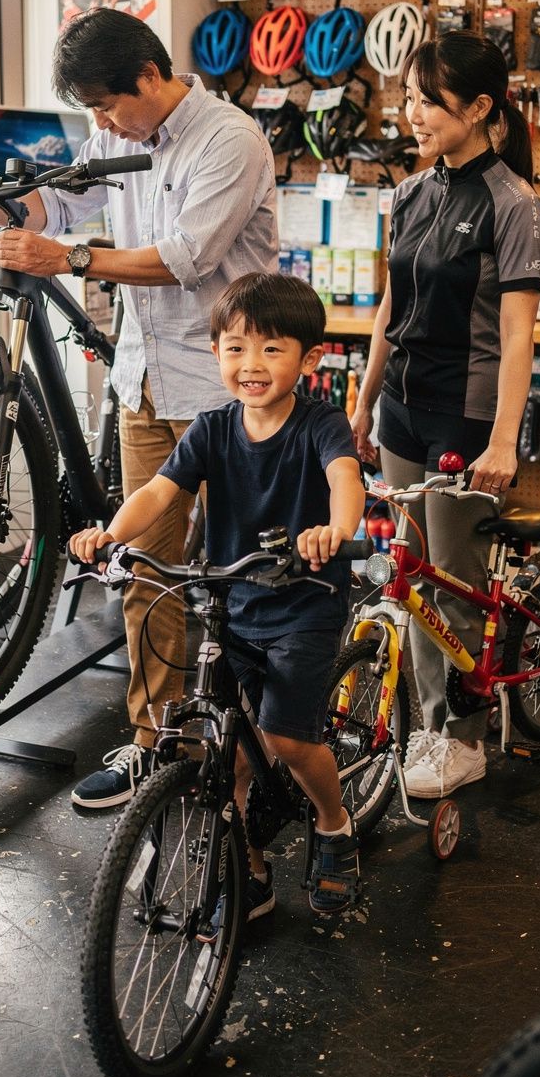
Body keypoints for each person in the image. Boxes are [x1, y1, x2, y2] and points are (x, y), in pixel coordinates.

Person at [0, 9, 278, 809]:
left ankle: (261, 748)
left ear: (146, 77)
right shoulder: (116, 138)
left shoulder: (229, 140)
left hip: (232, 391)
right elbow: (56, 211)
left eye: (105, 106)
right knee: (148, 573)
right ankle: (154, 741)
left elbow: (183, 260)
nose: (98, 125)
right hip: (146, 383)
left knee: (244, 579)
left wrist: (66, 258)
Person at [70, 272, 366, 917]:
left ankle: (334, 823)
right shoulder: (210, 428)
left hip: (303, 603)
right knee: (218, 753)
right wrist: (109, 535)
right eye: (235, 348)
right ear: (216, 355)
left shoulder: (321, 425)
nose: (250, 365)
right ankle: (249, 869)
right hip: (232, 606)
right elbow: (158, 492)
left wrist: (336, 531)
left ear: (308, 359)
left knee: (287, 739)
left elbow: (345, 479)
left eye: (270, 349)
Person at [351, 32, 540, 800]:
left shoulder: (515, 204)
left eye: (428, 100)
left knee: (453, 587)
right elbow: (388, 308)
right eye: (409, 96)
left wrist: (504, 437)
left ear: (478, 108)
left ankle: (461, 739)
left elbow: (517, 333)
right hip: (401, 410)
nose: (413, 113)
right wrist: (364, 402)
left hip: (464, 422)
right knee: (410, 582)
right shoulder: (410, 193)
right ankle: (427, 722)